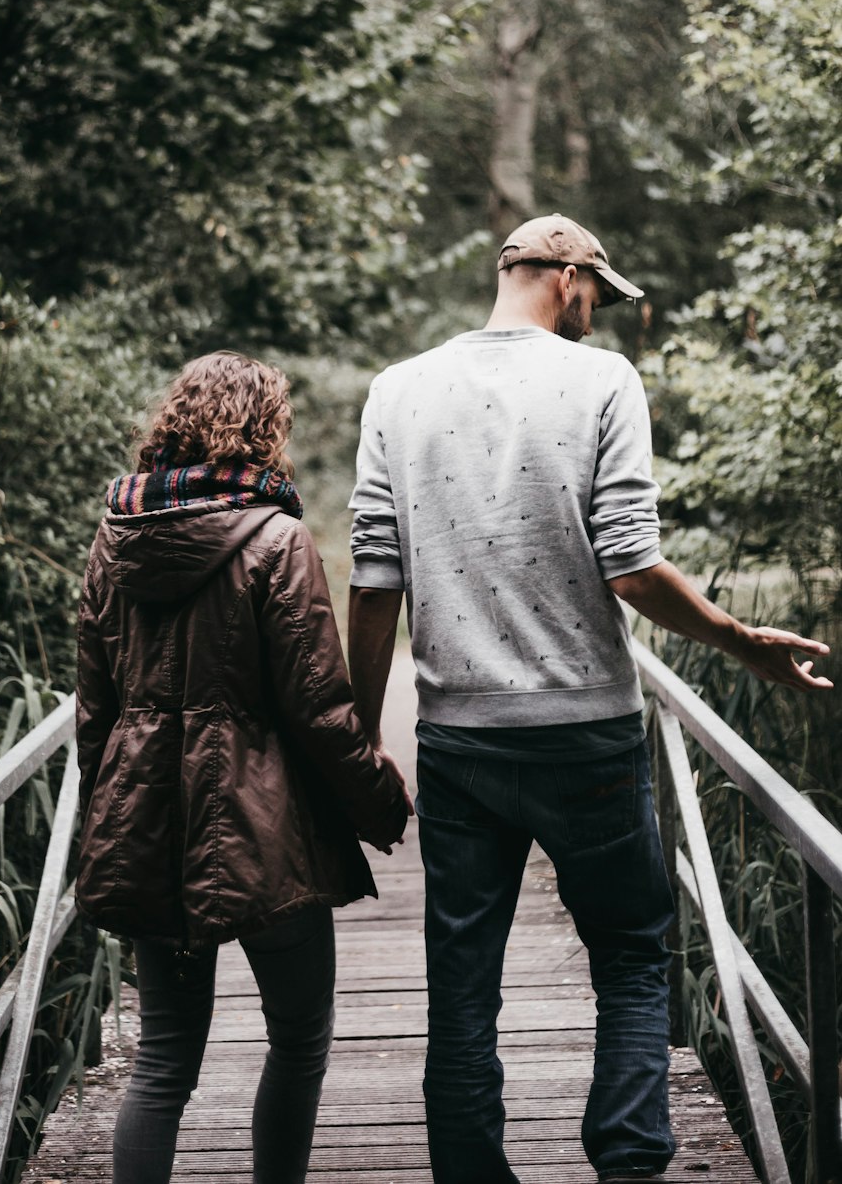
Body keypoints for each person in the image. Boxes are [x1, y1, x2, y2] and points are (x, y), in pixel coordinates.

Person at [346, 213, 832, 1184]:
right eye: (597, 297)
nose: (596, 316)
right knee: (632, 957)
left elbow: (372, 581)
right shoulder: (602, 381)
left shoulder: (396, 390)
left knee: (462, 988)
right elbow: (631, 566)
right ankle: (627, 1164)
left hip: (457, 740)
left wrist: (362, 742)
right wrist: (741, 641)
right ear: (566, 276)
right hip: (587, 738)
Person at [74, 350, 407, 1184]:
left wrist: (103, 815)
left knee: (162, 1060)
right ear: (263, 428)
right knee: (298, 1038)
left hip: (149, 819)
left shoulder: (113, 540)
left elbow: (94, 706)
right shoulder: (277, 536)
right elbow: (318, 705)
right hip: (264, 831)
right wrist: (379, 799)